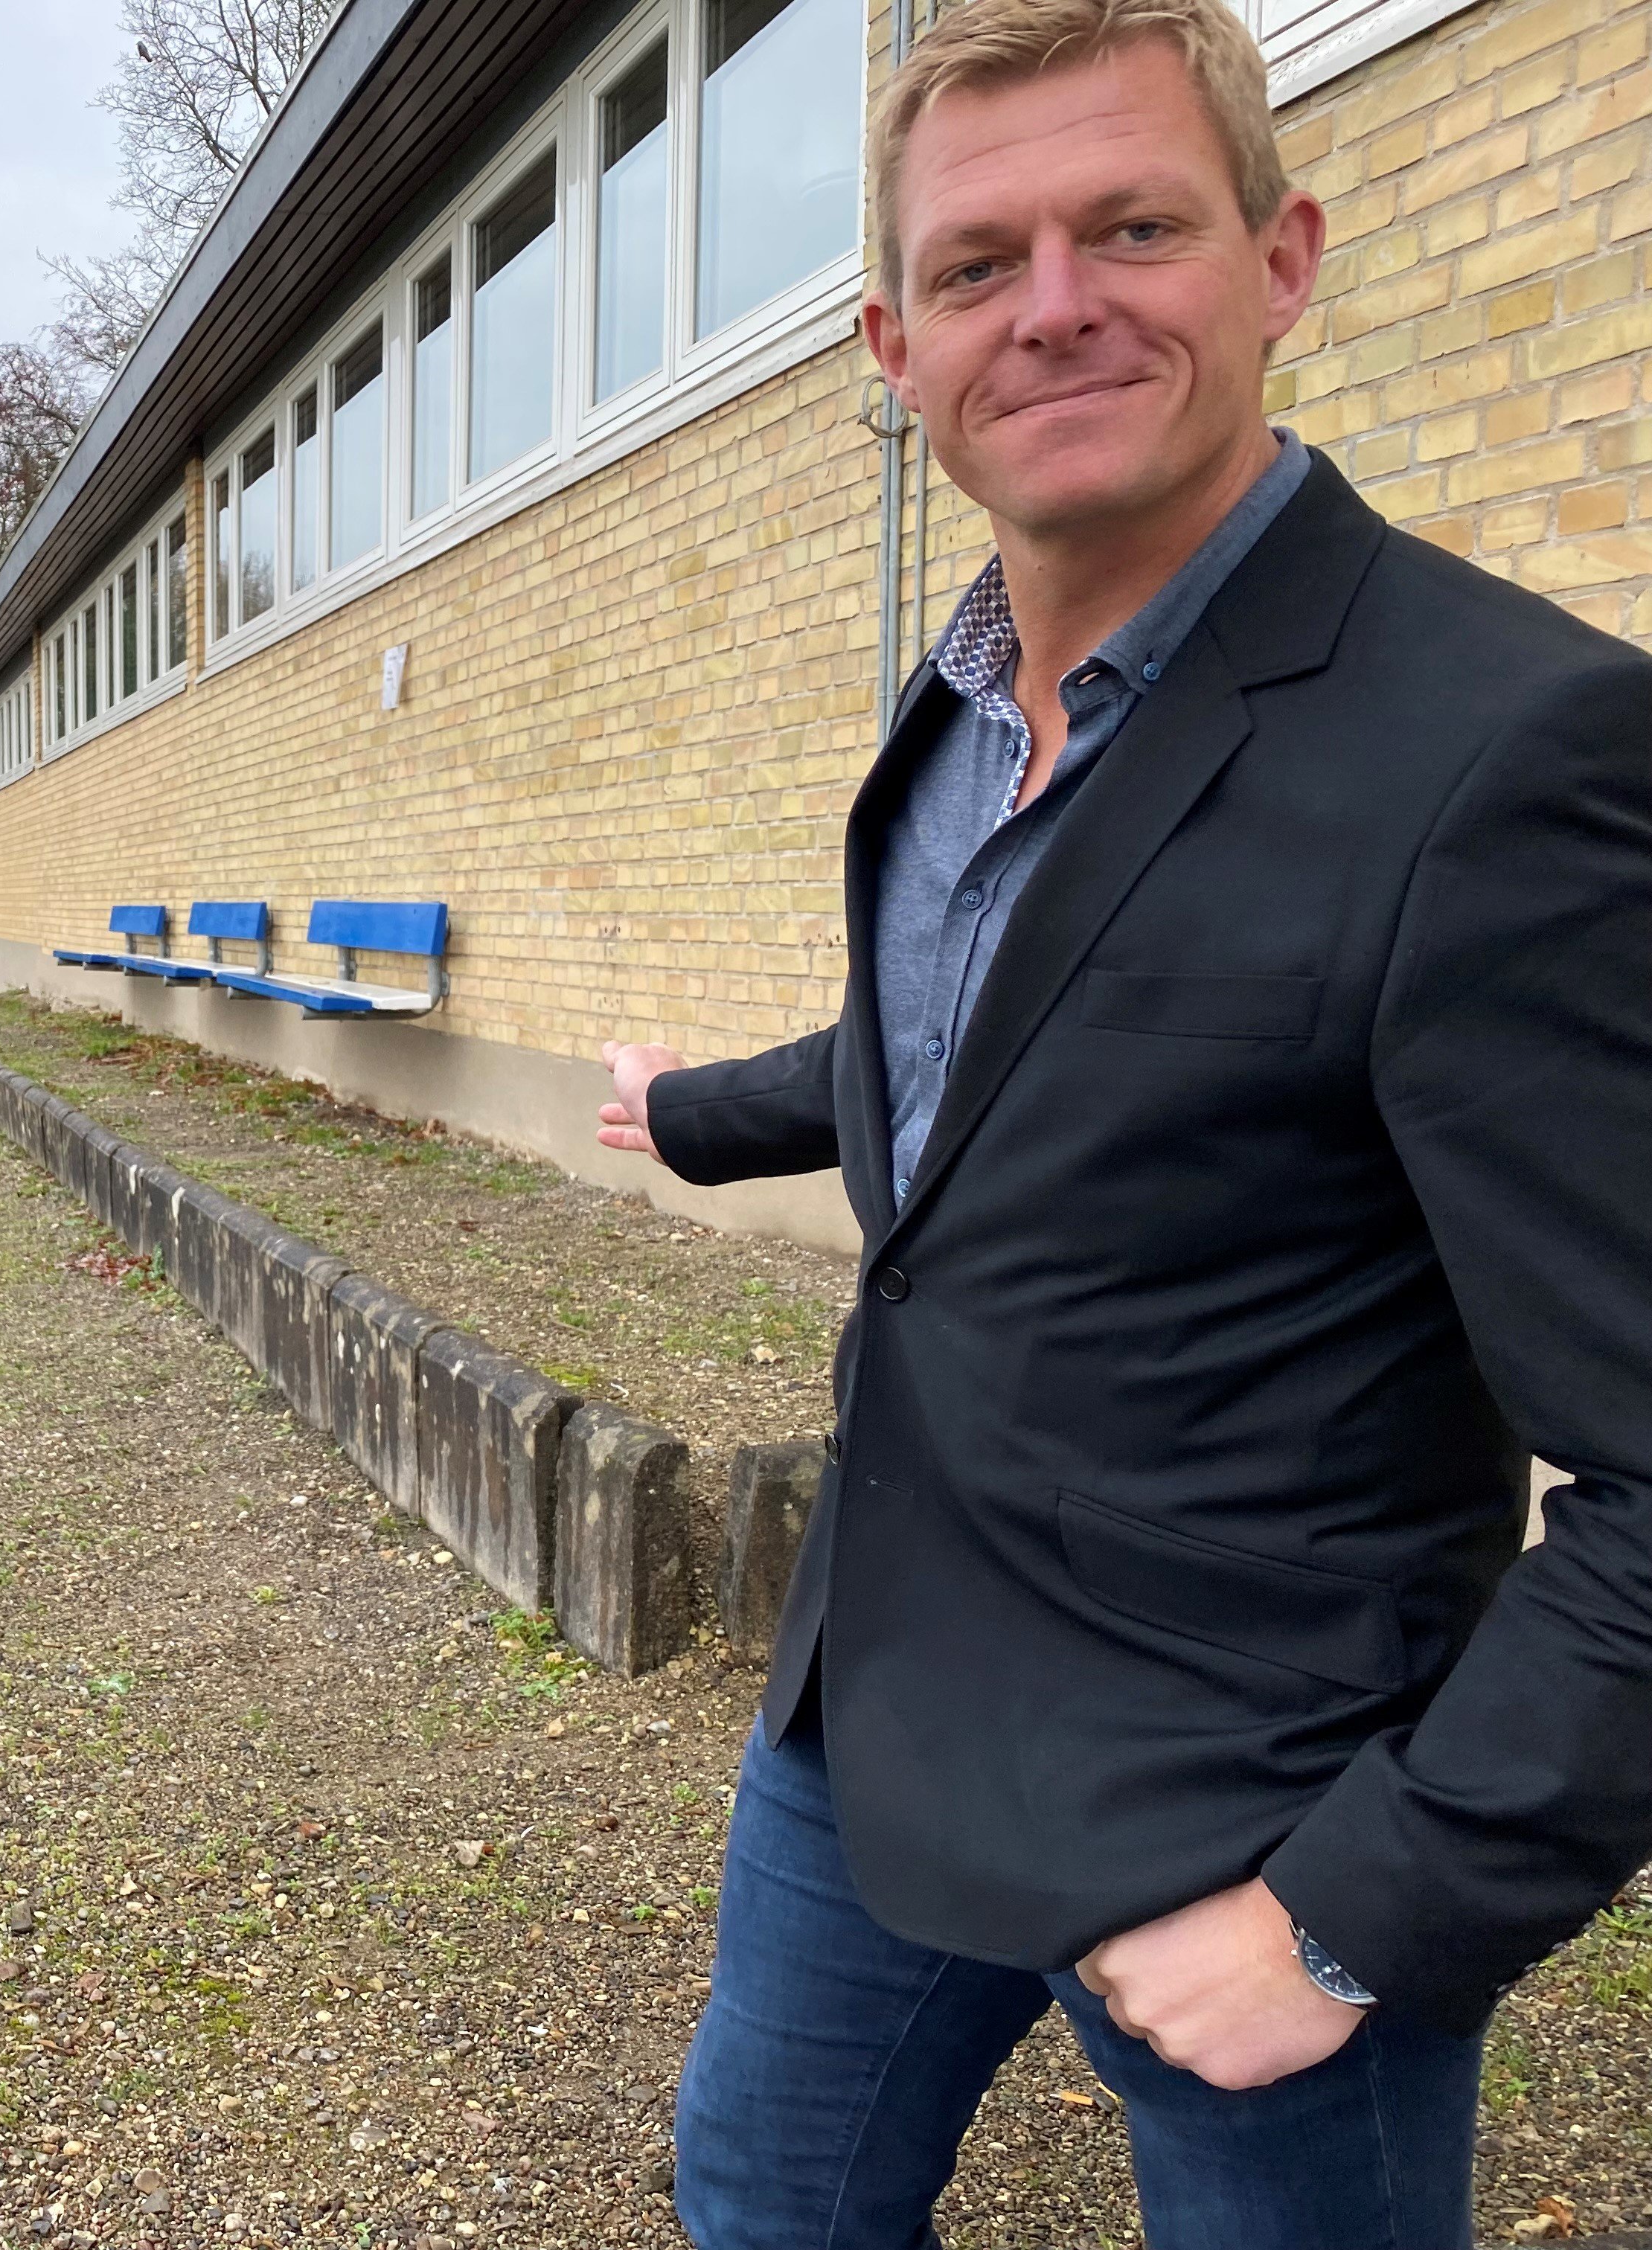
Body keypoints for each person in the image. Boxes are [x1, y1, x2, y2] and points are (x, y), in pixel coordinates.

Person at [593, 0, 1652, 2240]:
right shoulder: (965, 709)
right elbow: (976, 1057)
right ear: (895, 347)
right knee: (761, 2199)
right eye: (978, 265)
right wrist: (683, 1112)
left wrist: (1356, 1914)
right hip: (877, 1704)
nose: (1053, 305)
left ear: (1283, 261)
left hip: (1252, 1809)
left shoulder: (1512, 756)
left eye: (1134, 227)